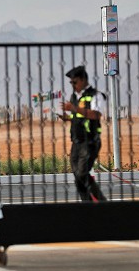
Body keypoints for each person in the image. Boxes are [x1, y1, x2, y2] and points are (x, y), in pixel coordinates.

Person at [59, 66, 107, 202]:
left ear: (83, 80)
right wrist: (68, 117)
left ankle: (101, 201)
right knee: (78, 176)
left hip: (90, 141)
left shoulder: (95, 95)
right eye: (71, 83)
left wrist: (73, 108)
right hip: (77, 142)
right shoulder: (74, 97)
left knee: (82, 172)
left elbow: (96, 115)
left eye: (75, 82)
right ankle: (87, 204)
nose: (73, 86)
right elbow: (78, 117)